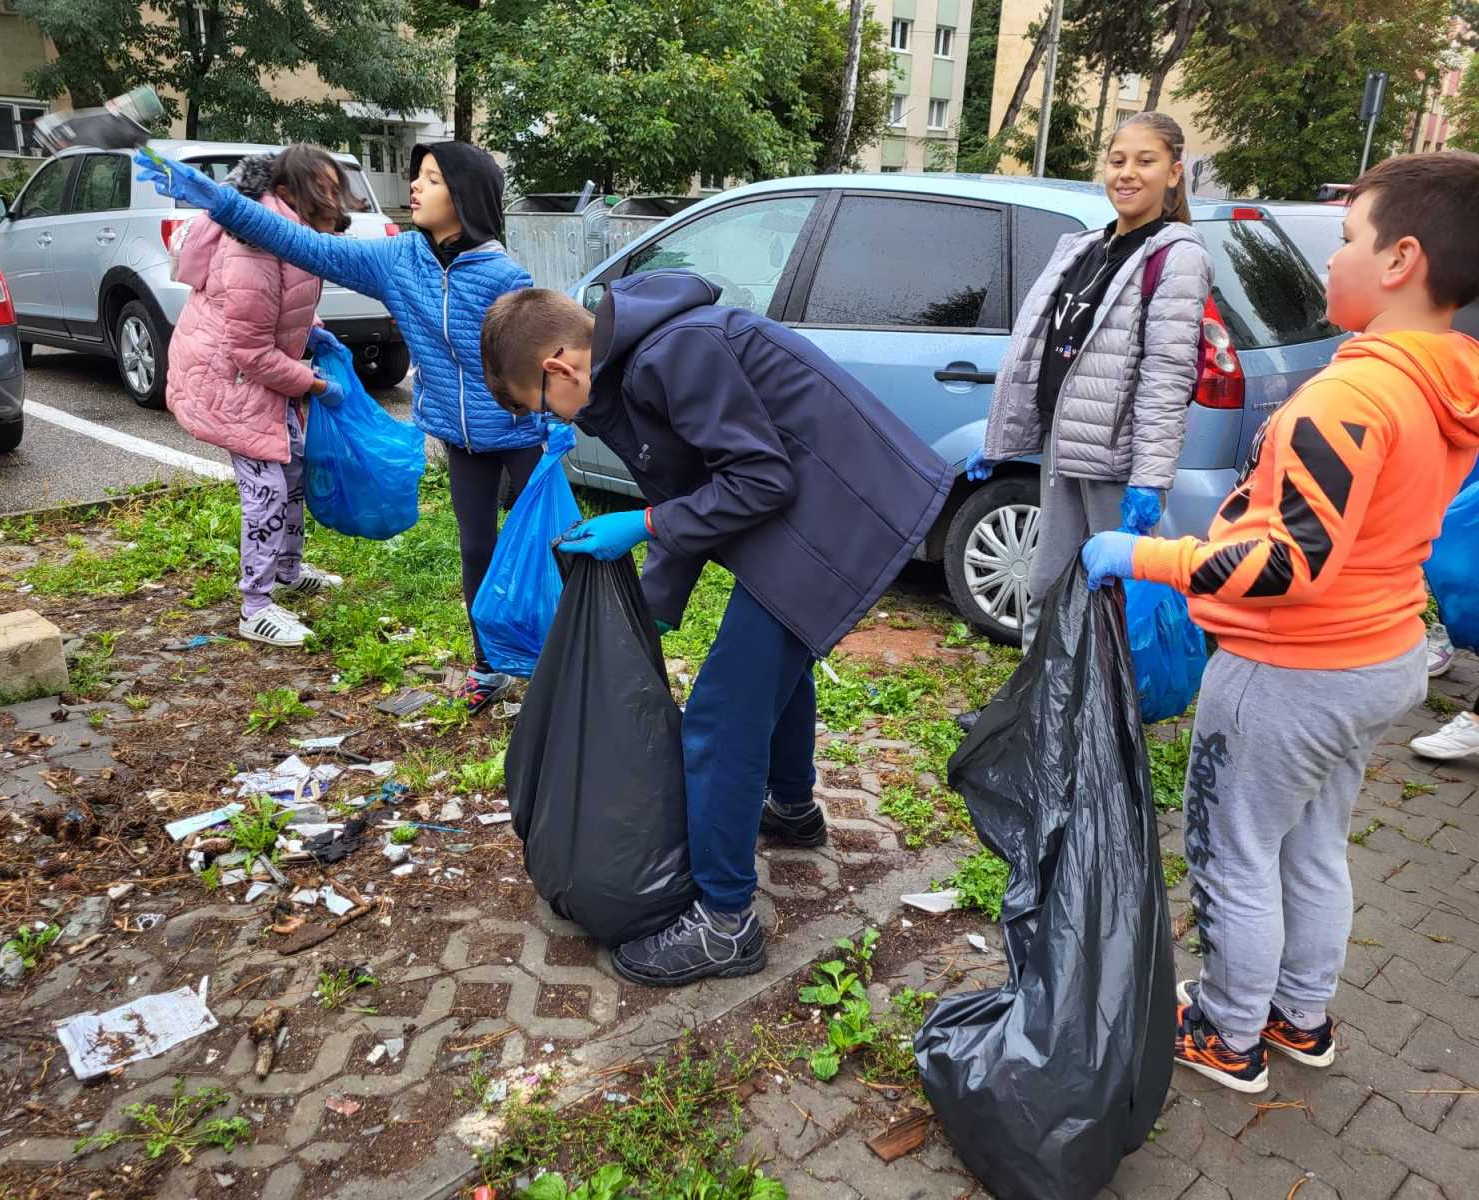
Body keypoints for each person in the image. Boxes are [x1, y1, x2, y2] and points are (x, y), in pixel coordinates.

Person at [1082, 152, 1479, 1092]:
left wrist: (1145, 557)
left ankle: (1227, 1033)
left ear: (1401, 260)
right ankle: (1300, 1016)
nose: (1332, 261)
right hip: (1377, 654)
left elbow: (1282, 566)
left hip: (1291, 670)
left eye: (1347, 240)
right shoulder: (1442, 381)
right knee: (1310, 846)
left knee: (1232, 849)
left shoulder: (1350, 398)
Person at [478, 275, 952, 987]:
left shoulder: (676, 354)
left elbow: (759, 480)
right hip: (812, 515)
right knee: (772, 672)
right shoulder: (631, 372)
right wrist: (654, 602)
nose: (554, 422)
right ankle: (791, 809)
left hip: (835, 514)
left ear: (558, 367)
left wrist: (638, 526)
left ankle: (727, 924)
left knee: (722, 718)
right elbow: (690, 486)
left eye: (539, 406)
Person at [140, 142, 544, 711]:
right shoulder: (397, 259)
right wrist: (222, 202)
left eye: (430, 179)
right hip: (461, 437)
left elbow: (538, 353)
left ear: (466, 195)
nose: (415, 188)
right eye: (417, 177)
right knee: (478, 550)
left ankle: (566, 658)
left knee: (550, 549)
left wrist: (553, 422)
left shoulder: (504, 275)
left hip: (522, 435)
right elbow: (299, 241)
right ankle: (489, 664)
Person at [971, 112, 1214, 651]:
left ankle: (1108, 721)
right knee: (1046, 583)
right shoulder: (1086, 247)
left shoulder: (1176, 256)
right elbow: (1041, 348)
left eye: (1145, 161)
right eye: (1117, 160)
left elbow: (1167, 376)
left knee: (1116, 599)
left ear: (1174, 174)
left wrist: (1150, 480)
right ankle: (1039, 709)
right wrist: (1002, 435)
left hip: (1118, 461)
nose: (1127, 173)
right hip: (1065, 442)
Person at [164, 147, 354, 647]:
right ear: (287, 192)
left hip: (261, 382)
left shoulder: (289, 234)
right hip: (231, 385)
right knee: (267, 490)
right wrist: (313, 384)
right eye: (324, 189)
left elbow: (282, 306)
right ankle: (255, 606)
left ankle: (287, 572)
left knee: (291, 472)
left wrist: (313, 331)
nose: (333, 200)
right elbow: (248, 350)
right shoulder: (254, 246)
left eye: (336, 188)